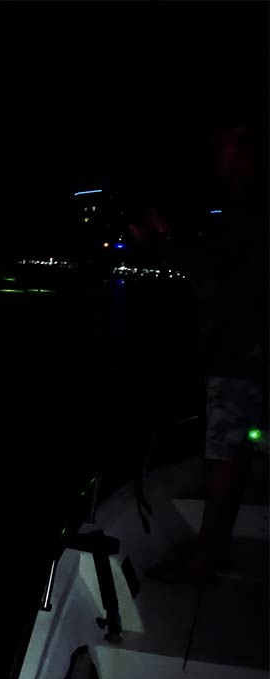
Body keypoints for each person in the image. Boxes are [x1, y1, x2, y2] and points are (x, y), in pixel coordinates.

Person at [134, 118, 268, 583]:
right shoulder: (251, 209)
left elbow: (218, 279)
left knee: (224, 459)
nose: (219, 158)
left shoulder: (251, 207)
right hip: (247, 350)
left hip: (239, 352)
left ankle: (207, 557)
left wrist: (162, 244)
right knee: (231, 456)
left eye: (227, 148)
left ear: (251, 153)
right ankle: (214, 545)